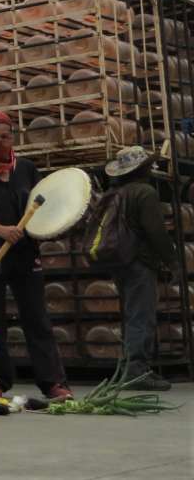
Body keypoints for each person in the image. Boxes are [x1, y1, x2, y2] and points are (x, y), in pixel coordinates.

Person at [0, 110, 72, 400]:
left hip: (23, 252)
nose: (0, 142)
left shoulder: (26, 168)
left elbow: (41, 204)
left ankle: (53, 383)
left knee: (37, 319)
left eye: (5, 136)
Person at [103, 146, 178, 391]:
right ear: (143, 168)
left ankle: (133, 368)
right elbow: (155, 232)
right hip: (139, 262)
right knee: (141, 315)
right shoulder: (144, 192)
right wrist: (171, 260)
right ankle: (136, 372)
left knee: (132, 314)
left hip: (119, 261)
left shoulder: (116, 192)